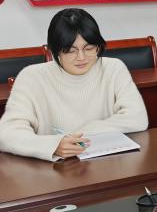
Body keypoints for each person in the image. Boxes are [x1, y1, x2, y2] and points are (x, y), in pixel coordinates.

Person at [0, 9, 147, 161]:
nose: (81, 57)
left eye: (89, 48)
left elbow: (137, 118)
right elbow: (6, 134)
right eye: (71, 51)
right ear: (55, 51)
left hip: (104, 163)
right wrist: (53, 145)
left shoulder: (113, 68)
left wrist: (82, 132)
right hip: (55, 169)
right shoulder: (32, 77)